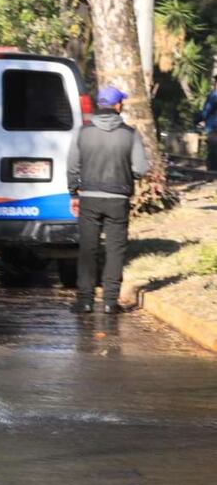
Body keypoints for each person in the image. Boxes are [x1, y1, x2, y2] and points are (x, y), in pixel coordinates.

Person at [67, 85, 150, 314]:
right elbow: (141, 168)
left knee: (88, 249)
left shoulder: (82, 132)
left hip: (90, 198)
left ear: (99, 105)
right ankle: (110, 302)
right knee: (115, 250)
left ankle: (84, 300)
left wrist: (74, 193)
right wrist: (126, 173)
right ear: (117, 106)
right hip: (118, 199)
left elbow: (72, 166)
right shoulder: (130, 134)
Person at [197, 76, 217, 171]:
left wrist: (200, 119)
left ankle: (212, 169)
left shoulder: (214, 95)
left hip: (213, 126)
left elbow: (206, 111)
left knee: (213, 148)